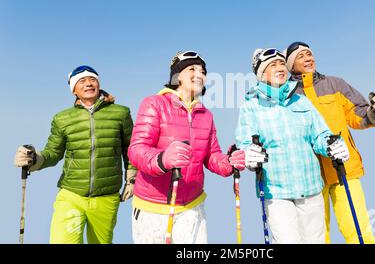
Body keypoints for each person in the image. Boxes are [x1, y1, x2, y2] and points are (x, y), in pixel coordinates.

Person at [127, 51, 261, 244]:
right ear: (177, 76)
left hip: (192, 205)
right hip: (153, 207)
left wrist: (229, 162)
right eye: (192, 69)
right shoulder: (154, 104)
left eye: (203, 71)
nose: (199, 74)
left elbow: (211, 156)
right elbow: (137, 149)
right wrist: (162, 159)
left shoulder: (205, 114)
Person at [283, 41, 375, 244]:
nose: (309, 58)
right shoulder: (286, 95)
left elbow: (357, 113)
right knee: (314, 237)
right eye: (301, 56)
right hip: (309, 175)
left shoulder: (335, 84)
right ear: (290, 65)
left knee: (358, 230)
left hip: (343, 167)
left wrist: (374, 112)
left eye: (309, 54)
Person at [235, 48, 350, 244]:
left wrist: (332, 145)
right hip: (276, 191)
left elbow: (320, 135)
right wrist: (250, 155)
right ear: (261, 74)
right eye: (272, 65)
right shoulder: (251, 106)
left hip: (311, 188)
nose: (280, 68)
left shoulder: (301, 101)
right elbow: (245, 142)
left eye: (281, 63)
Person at [13, 65, 136, 244]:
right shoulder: (63, 118)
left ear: (99, 84)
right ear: (74, 90)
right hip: (71, 194)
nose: (88, 84)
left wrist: (131, 179)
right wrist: (33, 159)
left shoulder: (121, 113)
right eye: (82, 81)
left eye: (92, 79)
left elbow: (130, 147)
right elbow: (53, 152)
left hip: (106, 196)